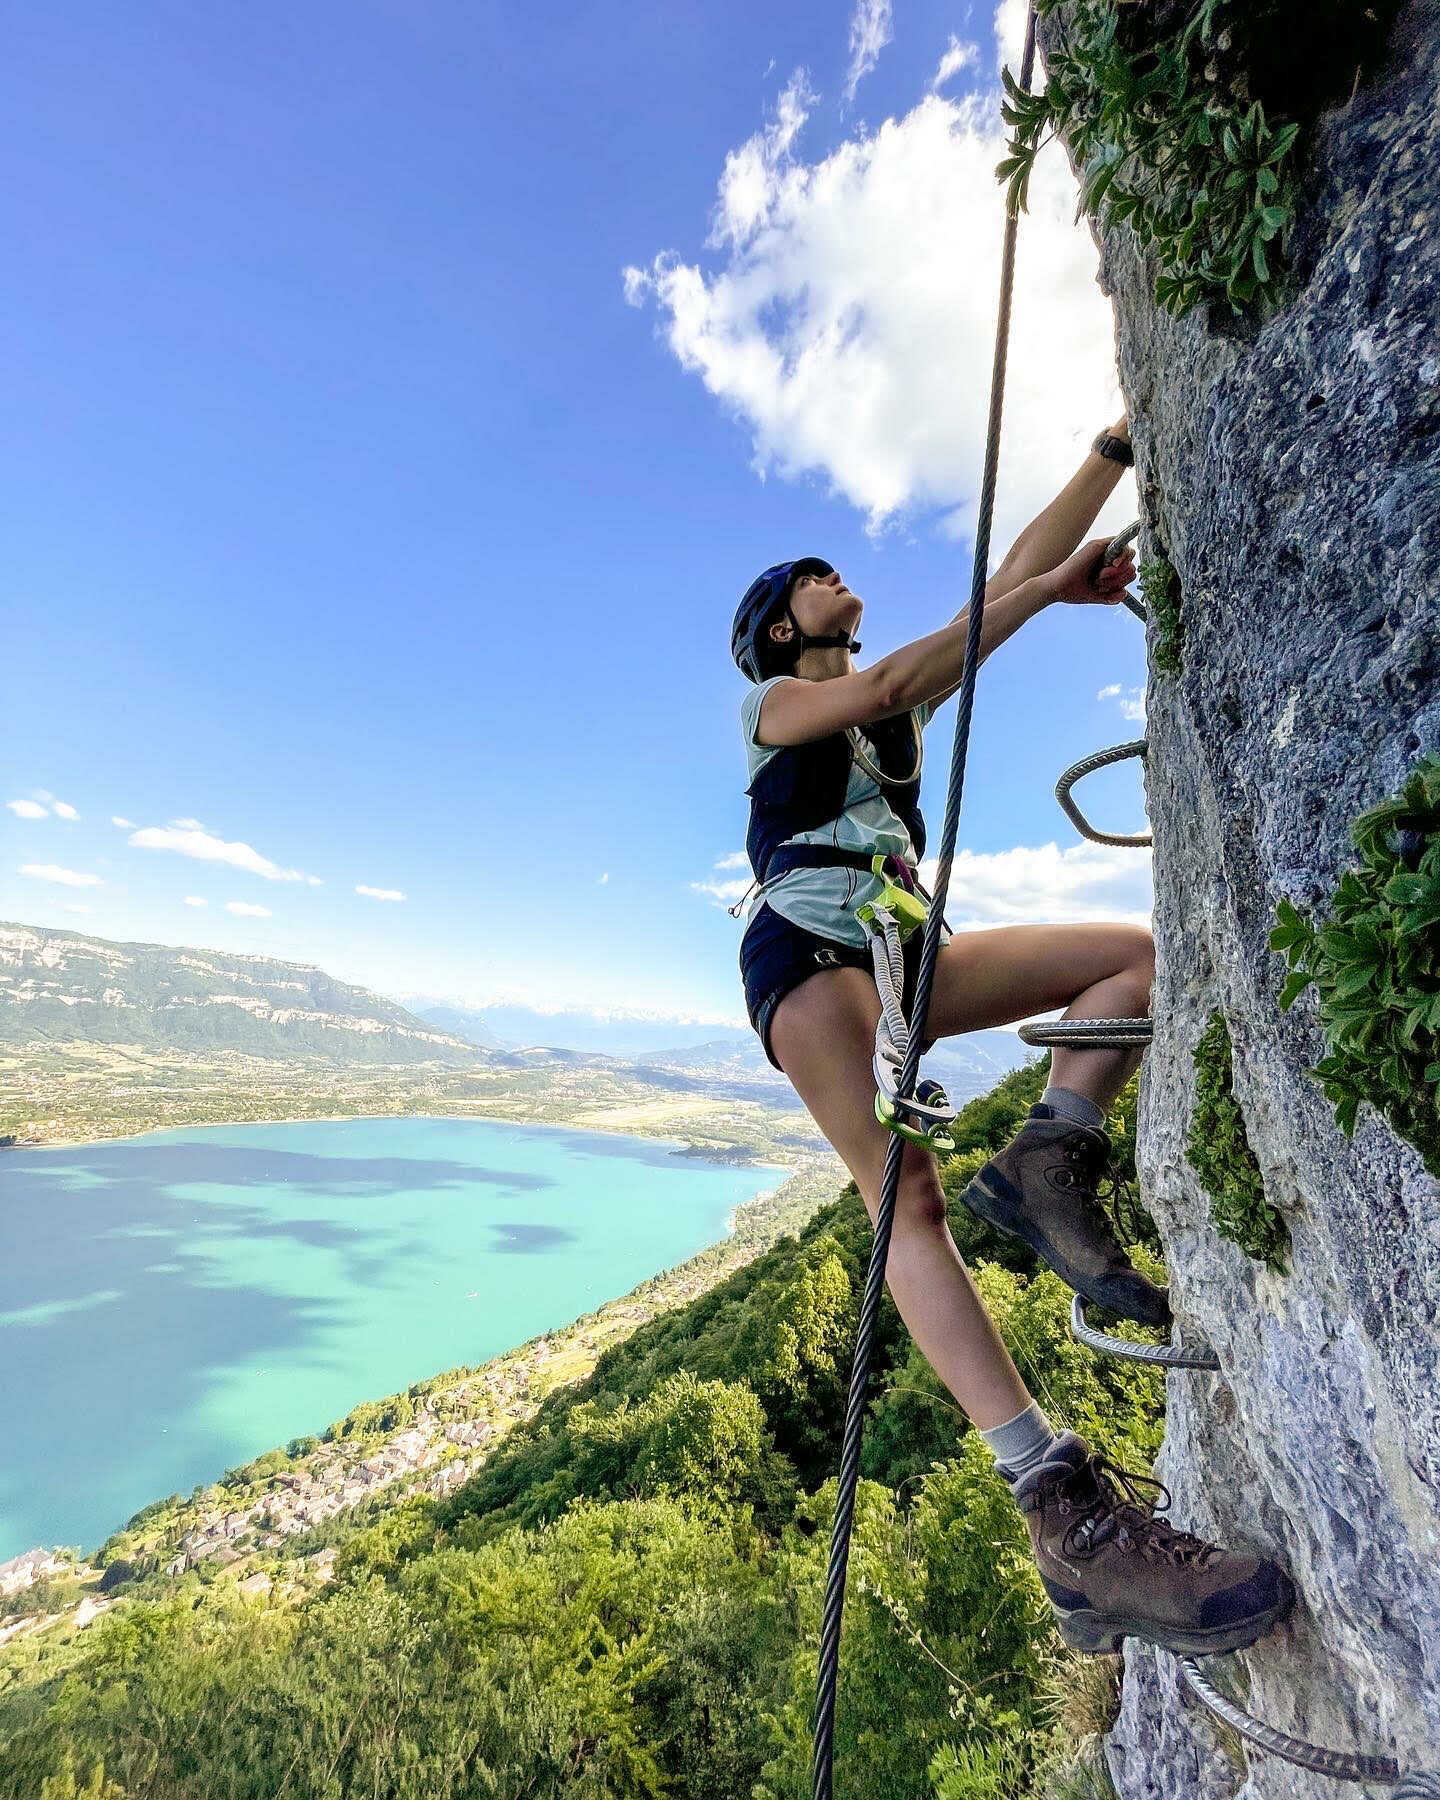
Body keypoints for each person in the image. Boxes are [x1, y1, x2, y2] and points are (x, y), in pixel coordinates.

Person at [731, 419, 1295, 1658]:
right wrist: (1052, 593)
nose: (838, 577)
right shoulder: (779, 701)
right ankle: (1061, 1510)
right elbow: (890, 683)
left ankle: (1049, 1156)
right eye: (812, 575)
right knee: (906, 1203)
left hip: (899, 942)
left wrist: (1108, 457)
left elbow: (991, 594)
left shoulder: (887, 692)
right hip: (811, 954)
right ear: (783, 625)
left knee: (1127, 962)